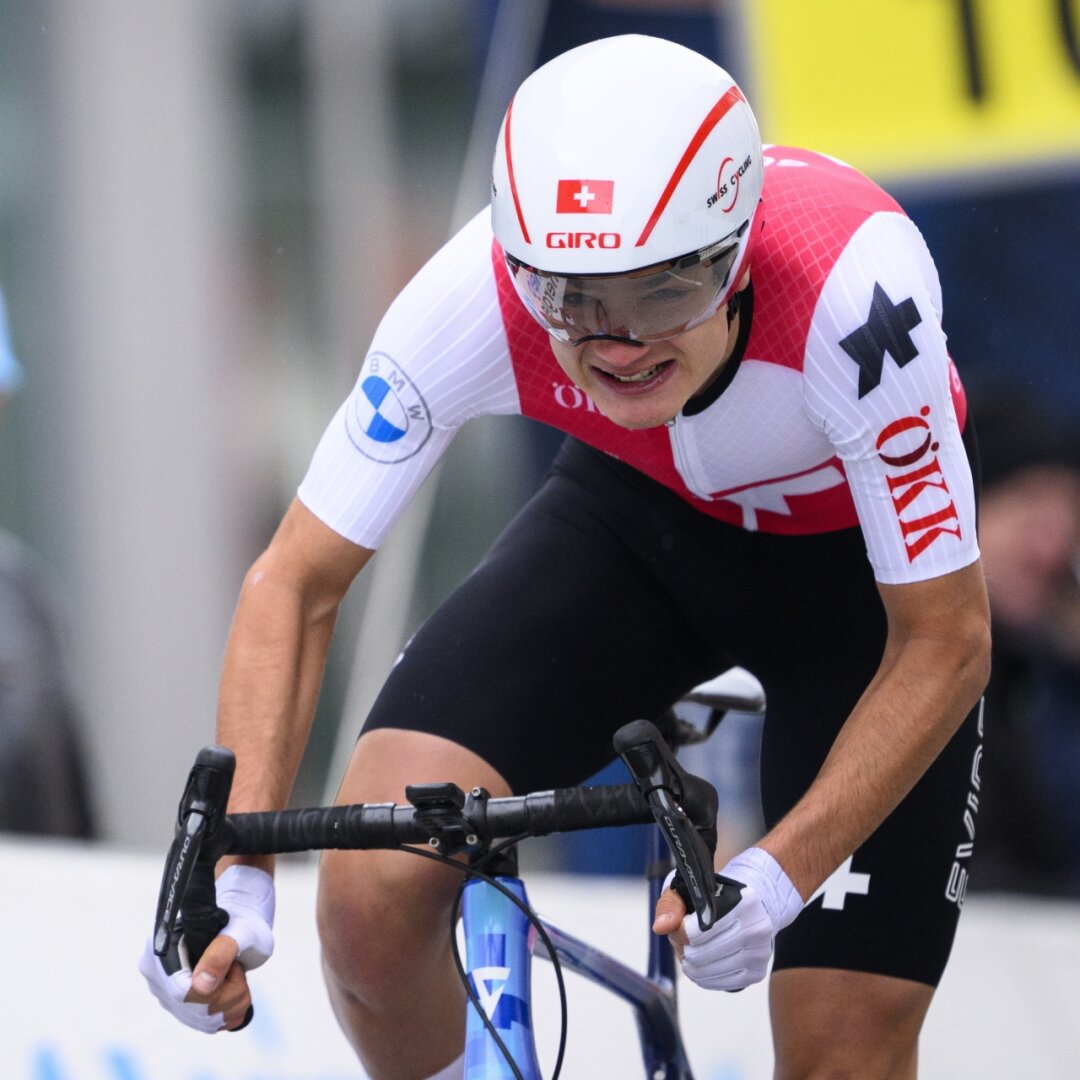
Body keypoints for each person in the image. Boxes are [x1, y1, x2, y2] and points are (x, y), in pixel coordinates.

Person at [139, 36, 991, 1079]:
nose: (620, 342)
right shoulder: (479, 294)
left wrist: (778, 875)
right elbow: (296, 579)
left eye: (665, 293)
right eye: (577, 301)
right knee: (368, 904)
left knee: (840, 1053)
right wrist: (239, 870)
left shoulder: (858, 294)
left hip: (859, 591)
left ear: (735, 253)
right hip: (638, 532)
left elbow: (948, 639)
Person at [968, 391, 1080, 896]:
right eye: (1029, 507)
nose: (1049, 550)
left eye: (1065, 519)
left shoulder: (1043, 680)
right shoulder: (885, 663)